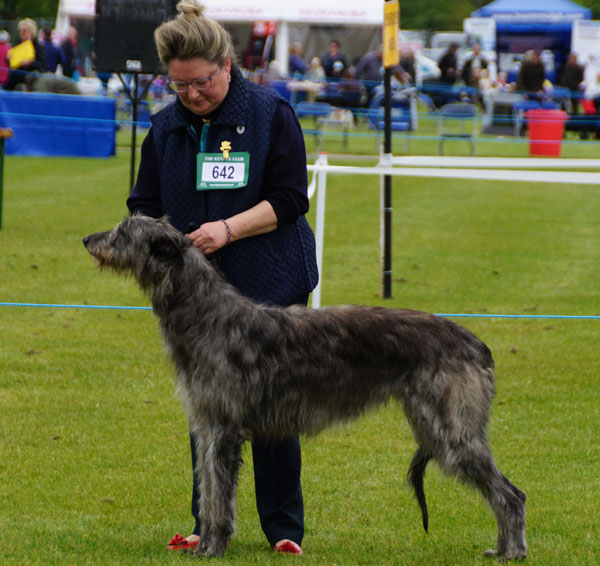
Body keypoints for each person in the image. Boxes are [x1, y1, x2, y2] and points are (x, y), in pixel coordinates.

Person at [126, 0, 318, 555]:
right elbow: (142, 204)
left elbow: (288, 198)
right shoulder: (164, 128)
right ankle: (207, 522)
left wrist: (227, 229)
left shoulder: (269, 113)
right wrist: (167, 239)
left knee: (275, 412)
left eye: (201, 83)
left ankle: (284, 528)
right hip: (196, 299)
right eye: (179, 85)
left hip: (271, 282)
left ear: (227, 65)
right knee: (207, 411)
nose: (191, 95)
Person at [5, 18, 46, 91]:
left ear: (31, 32)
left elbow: (42, 64)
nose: (22, 32)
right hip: (15, 78)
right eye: (20, 30)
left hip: (32, 80)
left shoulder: (38, 47)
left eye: (25, 30)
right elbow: (11, 63)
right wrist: (8, 59)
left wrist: (30, 63)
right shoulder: (17, 44)